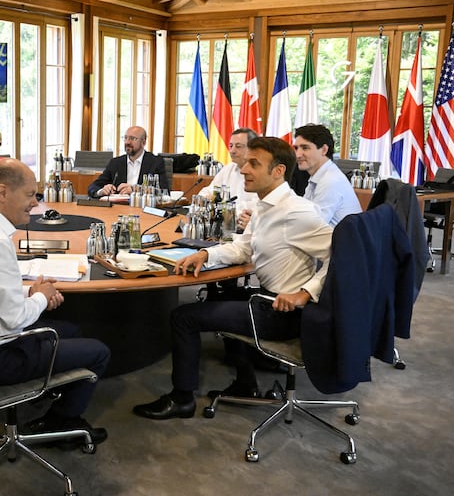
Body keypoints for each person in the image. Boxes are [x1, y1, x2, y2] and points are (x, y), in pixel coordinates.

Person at [132, 137, 333, 420]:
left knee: (183, 317)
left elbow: (345, 255)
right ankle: (246, 383)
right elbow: (243, 247)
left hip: (283, 311)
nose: (243, 169)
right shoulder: (266, 204)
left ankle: (182, 399)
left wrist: (306, 293)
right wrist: (206, 255)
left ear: (278, 171)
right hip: (266, 297)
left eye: (254, 163)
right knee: (221, 295)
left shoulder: (296, 212)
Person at [0, 159, 110, 445]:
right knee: (99, 352)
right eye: (29, 195)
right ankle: (59, 426)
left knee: (72, 331)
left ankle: (45, 396)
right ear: (2, 192)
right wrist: (41, 295)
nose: (35, 204)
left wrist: (31, 294)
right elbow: (13, 319)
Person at [294, 123, 361, 226]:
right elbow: (304, 215)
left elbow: (312, 226)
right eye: (296, 148)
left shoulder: (330, 181)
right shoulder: (320, 175)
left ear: (324, 150)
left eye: (305, 148)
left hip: (339, 241)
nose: (298, 155)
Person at [198, 127, 260, 231]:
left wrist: (224, 210)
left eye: (238, 146)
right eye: (231, 146)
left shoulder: (261, 174)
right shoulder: (228, 169)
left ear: (252, 149)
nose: (232, 151)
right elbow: (207, 191)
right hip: (223, 227)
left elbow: (257, 206)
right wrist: (204, 199)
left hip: (247, 229)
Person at [87, 126, 170, 197]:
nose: (127, 142)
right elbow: (93, 187)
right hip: (117, 209)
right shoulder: (115, 163)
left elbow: (163, 191)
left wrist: (135, 190)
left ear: (143, 143)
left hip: (143, 209)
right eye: (125, 138)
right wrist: (102, 191)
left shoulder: (155, 162)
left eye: (132, 138)